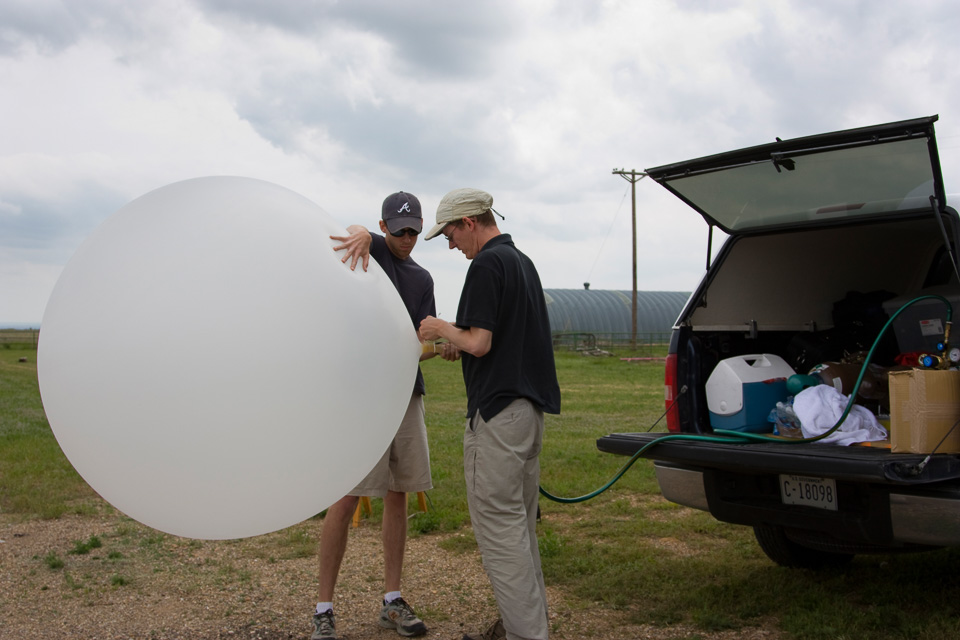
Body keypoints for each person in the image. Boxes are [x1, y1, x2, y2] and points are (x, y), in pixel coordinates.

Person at [419, 188, 561, 640]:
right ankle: (530, 626)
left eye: (450, 234)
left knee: (500, 531)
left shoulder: (486, 265)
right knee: (519, 528)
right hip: (528, 414)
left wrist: (441, 327)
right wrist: (456, 345)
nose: (450, 245)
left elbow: (479, 341)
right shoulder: (520, 262)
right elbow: (495, 342)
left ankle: (525, 634)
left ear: (469, 222)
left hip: (497, 416)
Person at [312, 191, 436, 640]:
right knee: (345, 497)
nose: (408, 238)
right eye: (399, 229)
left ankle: (392, 600)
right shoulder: (368, 250)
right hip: (360, 397)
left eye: (415, 230)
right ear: (383, 226)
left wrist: (441, 345)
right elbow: (346, 237)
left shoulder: (422, 278)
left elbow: (424, 339)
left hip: (404, 395)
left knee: (399, 494)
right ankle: (324, 608)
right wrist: (359, 232)